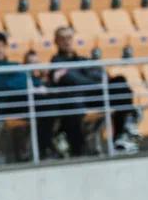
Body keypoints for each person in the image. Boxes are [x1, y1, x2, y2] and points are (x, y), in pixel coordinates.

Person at [50, 26, 140, 155]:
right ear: (56, 41)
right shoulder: (56, 62)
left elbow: (101, 75)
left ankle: (120, 137)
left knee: (120, 82)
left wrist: (93, 81)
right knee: (74, 106)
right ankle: (79, 150)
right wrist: (95, 82)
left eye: (69, 38)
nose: (67, 41)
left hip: (94, 94)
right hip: (76, 100)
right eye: (62, 38)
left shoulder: (82, 59)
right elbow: (73, 80)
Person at [0, 31, 50, 160]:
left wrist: (37, 85)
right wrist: (19, 84)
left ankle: (44, 149)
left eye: (1, 46)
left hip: (21, 101)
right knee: (43, 105)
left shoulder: (14, 66)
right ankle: (41, 151)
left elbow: (32, 81)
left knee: (50, 103)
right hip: (3, 106)